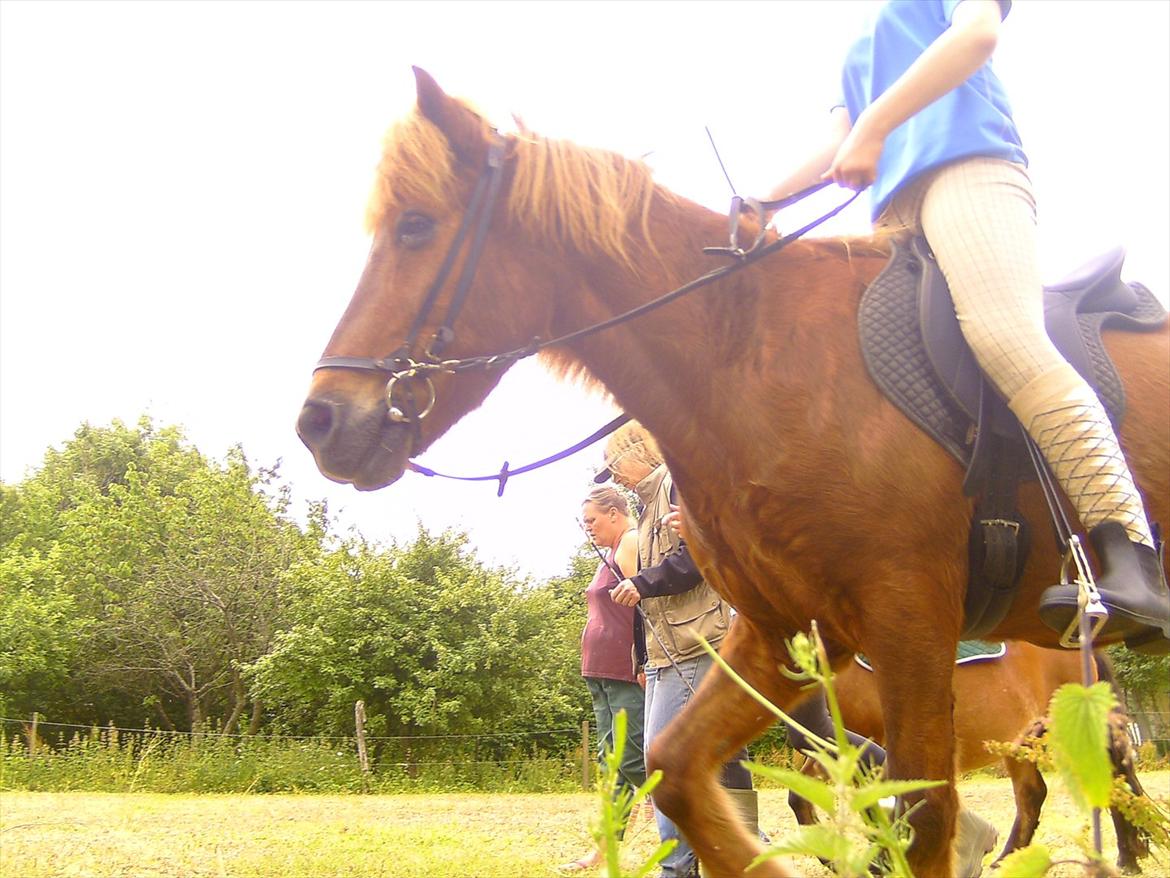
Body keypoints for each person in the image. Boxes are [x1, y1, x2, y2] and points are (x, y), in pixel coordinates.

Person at [767, 0, 1168, 653]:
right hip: (897, 208)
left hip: (970, 170)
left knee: (1004, 335)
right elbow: (838, 138)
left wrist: (875, 125)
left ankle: (1131, 556)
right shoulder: (860, 43)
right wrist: (759, 204)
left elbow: (977, 33)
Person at [599, 420, 758, 878]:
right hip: (667, 650)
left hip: (695, 644)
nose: (618, 480)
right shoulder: (647, 503)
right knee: (713, 756)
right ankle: (744, 849)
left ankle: (679, 866)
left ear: (637, 451)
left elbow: (699, 559)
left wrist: (640, 585)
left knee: (663, 759)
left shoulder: (675, 485)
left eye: (617, 468)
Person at [559, 484, 647, 874]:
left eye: (592, 520)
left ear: (614, 512)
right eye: (583, 523)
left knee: (633, 759)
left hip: (625, 673)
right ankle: (603, 852)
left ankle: (693, 830)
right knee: (613, 765)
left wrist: (644, 662)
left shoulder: (629, 543)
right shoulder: (608, 552)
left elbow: (649, 605)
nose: (588, 528)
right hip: (600, 674)